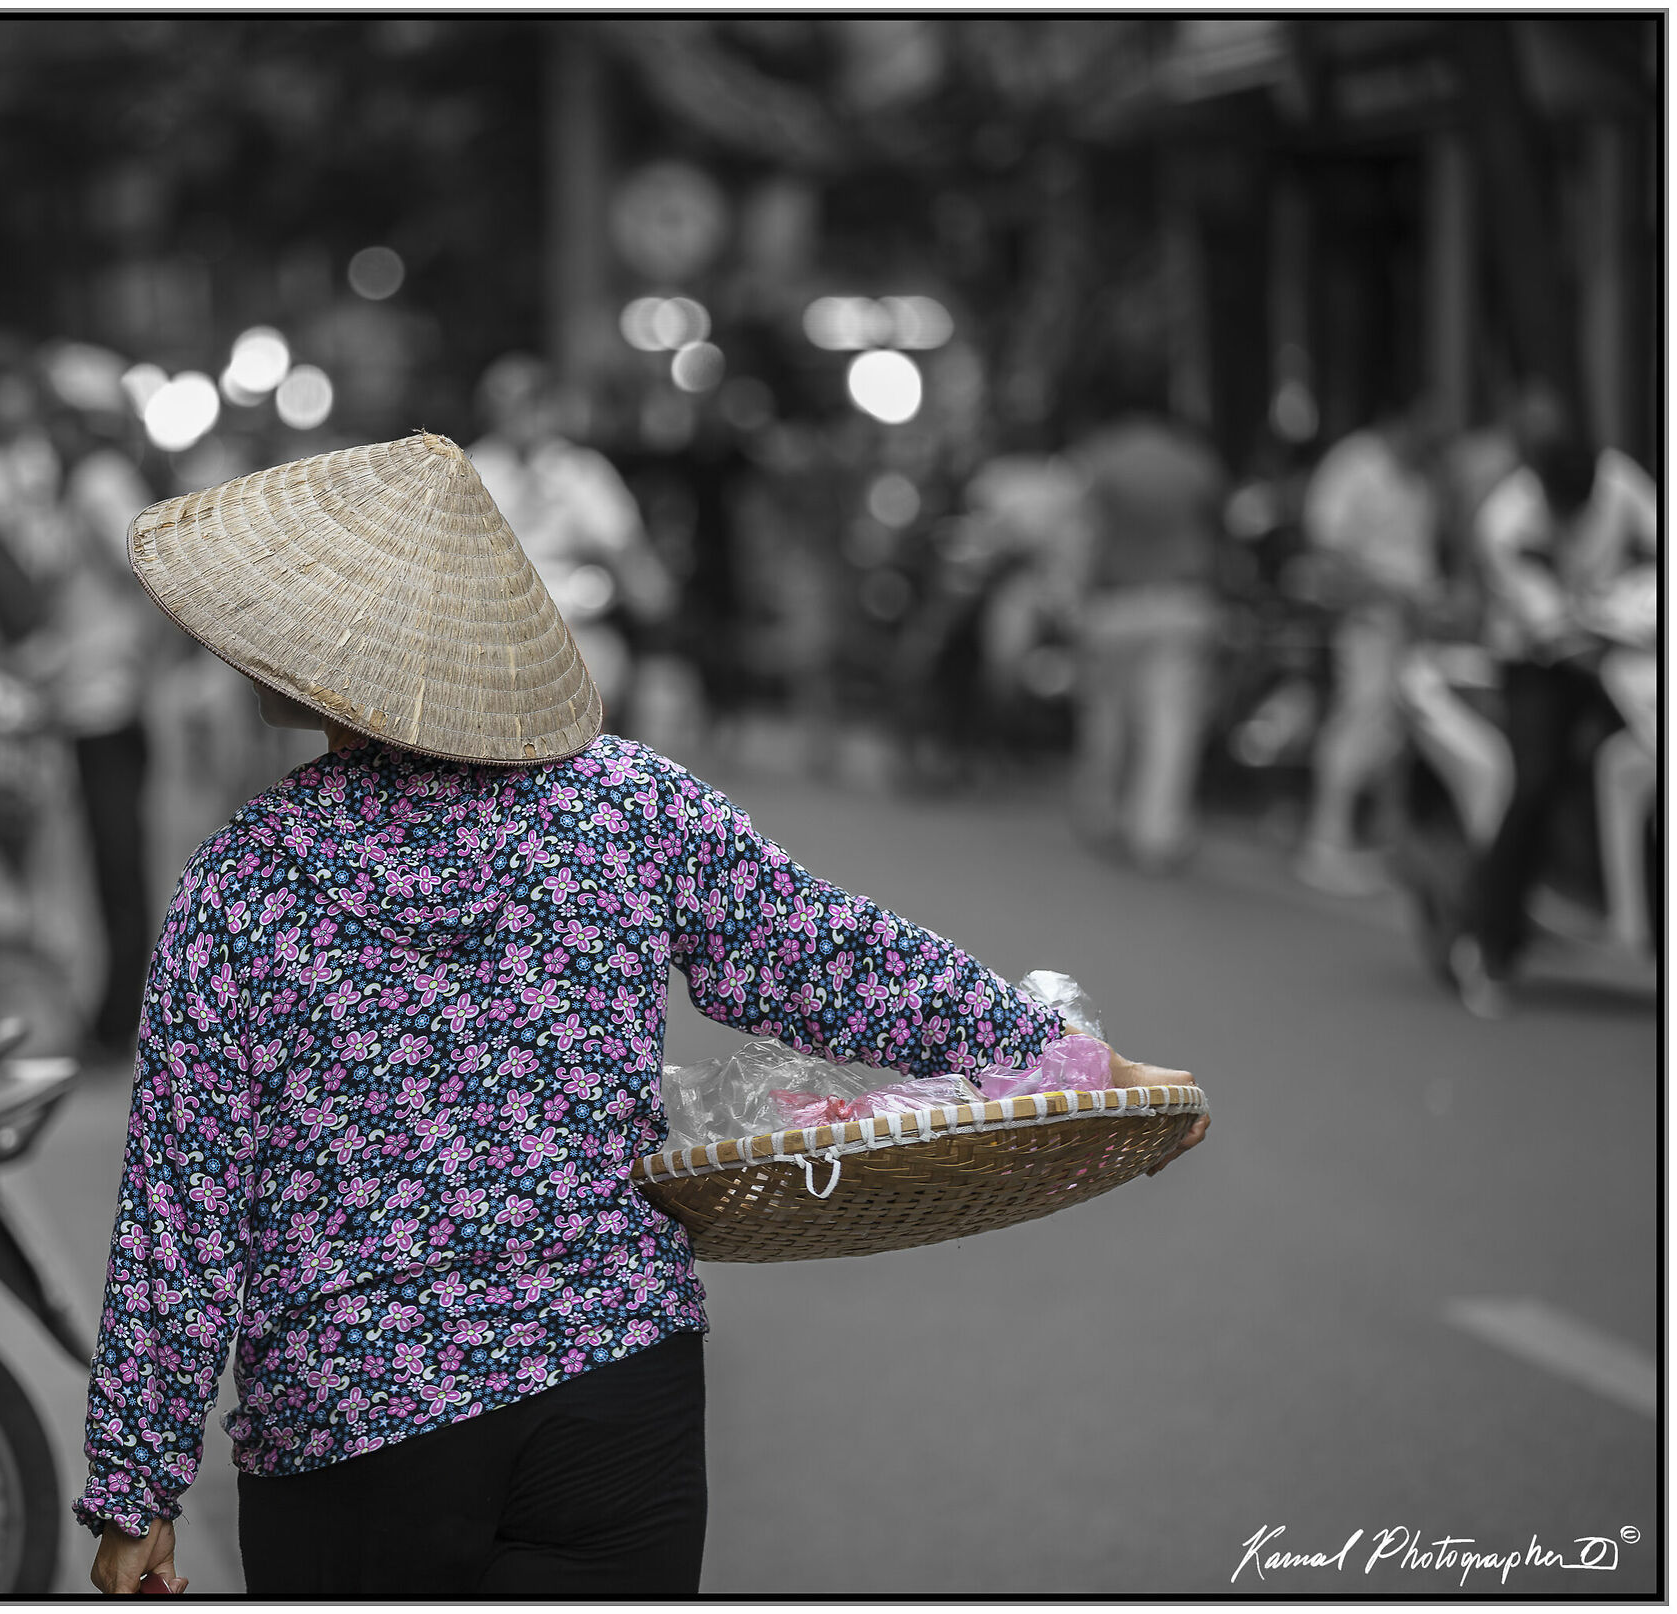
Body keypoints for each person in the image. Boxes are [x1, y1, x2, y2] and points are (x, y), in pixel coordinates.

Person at [75, 433, 1209, 1596]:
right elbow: (833, 954)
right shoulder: (627, 806)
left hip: (351, 1419)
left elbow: (183, 1198)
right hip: (612, 1388)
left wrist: (134, 1487)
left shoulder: (244, 878)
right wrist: (1068, 1062)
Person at [0, 357, 163, 1058]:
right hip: (55, 709)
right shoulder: (39, 486)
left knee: (110, 863)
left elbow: (151, 574)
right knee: (60, 869)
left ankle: (118, 1016)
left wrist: (117, 655)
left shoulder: (94, 482)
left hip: (99, 705)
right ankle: (71, 1013)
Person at [1453, 398, 1659, 1016]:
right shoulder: (1505, 521)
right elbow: (1551, 630)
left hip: (1619, 647)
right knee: (1537, 780)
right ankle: (1490, 947)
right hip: (1539, 661)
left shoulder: (1619, 480)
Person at [468, 354, 675, 731]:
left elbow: (630, 556)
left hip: (574, 626)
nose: (522, 415)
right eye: (509, 404)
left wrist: (650, 598)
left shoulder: (581, 471)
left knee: (606, 669)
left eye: (532, 402)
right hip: (488, 631)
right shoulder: (473, 468)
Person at [1066, 399, 1231, 872]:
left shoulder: (1104, 458)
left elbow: (1083, 535)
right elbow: (1218, 530)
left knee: (1108, 720)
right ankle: (1156, 832)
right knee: (1169, 725)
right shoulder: (1194, 461)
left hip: (1115, 604)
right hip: (1181, 601)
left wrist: (1073, 600)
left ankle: (1103, 816)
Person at [1294, 411, 1441, 896]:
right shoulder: (1355, 465)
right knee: (1358, 720)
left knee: (1394, 733)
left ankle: (1378, 838)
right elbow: (1329, 549)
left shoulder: (1418, 478)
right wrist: (1389, 592)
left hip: (1408, 626)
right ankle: (1326, 840)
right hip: (1367, 619)